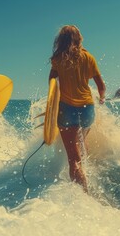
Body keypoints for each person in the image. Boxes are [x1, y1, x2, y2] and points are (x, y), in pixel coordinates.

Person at [49, 25, 106, 193]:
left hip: (67, 110)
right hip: (88, 108)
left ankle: (83, 195)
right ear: (78, 38)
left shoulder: (57, 59)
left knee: (73, 159)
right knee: (81, 142)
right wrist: (102, 98)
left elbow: (51, 85)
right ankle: (87, 174)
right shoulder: (88, 57)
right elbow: (101, 86)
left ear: (61, 40)